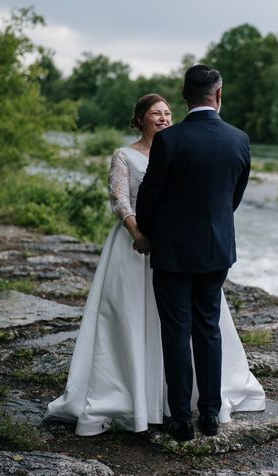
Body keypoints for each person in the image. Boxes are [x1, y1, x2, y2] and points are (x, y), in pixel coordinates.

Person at [45, 93, 265, 437]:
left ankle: (186, 408)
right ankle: (141, 397)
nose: (163, 118)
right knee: (142, 321)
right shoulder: (127, 154)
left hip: (176, 249)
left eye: (166, 112)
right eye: (155, 113)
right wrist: (140, 232)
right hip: (139, 245)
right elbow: (122, 198)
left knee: (187, 328)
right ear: (140, 119)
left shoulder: (179, 144)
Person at [135, 65, 257, 442]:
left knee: (176, 331)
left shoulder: (170, 140)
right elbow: (232, 197)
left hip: (172, 252)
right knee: (209, 329)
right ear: (218, 95)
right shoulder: (239, 139)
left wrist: (154, 233)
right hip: (216, 250)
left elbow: (149, 200)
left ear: (185, 96)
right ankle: (209, 414)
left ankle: (180, 420)